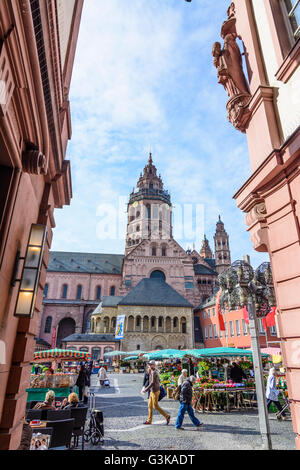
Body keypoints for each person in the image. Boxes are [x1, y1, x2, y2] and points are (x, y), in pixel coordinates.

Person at [142, 360, 170, 426]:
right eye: (149, 364)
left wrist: (145, 389)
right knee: (149, 406)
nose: (149, 366)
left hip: (155, 391)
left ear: (154, 365)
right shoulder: (151, 371)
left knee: (155, 406)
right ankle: (149, 420)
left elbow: (152, 383)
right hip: (152, 391)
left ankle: (167, 416)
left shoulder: (154, 372)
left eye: (151, 364)